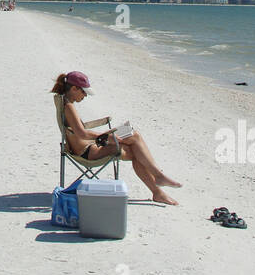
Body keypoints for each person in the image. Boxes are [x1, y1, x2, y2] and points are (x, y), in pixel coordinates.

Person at [53, 70, 182, 205]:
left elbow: (80, 130)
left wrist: (104, 135)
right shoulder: (68, 106)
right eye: (83, 92)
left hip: (90, 146)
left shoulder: (65, 102)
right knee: (134, 136)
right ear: (74, 88)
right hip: (89, 151)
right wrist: (105, 136)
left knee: (132, 140)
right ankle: (158, 179)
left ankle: (158, 190)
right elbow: (81, 133)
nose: (85, 95)